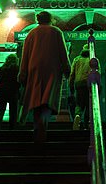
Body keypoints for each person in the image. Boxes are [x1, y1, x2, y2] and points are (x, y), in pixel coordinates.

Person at [19, 11, 71, 143]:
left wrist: (23, 72)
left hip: (34, 70)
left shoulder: (31, 34)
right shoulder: (56, 32)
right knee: (48, 100)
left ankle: (38, 128)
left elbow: (25, 55)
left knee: (36, 100)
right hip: (52, 70)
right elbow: (63, 53)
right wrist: (67, 69)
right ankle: (42, 128)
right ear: (50, 19)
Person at [69, 44, 95, 130]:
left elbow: (72, 75)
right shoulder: (94, 60)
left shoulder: (77, 59)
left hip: (79, 84)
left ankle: (78, 116)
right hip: (90, 85)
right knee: (89, 104)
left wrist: (71, 87)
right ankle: (87, 123)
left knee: (79, 103)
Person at [0, 54, 20, 130]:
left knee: (1, 109)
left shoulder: (2, 68)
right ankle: (12, 128)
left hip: (1, 92)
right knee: (13, 111)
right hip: (13, 92)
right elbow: (18, 82)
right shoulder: (17, 69)